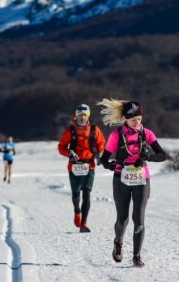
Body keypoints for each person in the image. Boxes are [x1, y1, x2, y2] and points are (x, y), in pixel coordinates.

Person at [98, 98, 166, 268]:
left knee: (139, 218)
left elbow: (162, 155)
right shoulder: (116, 135)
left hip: (142, 179)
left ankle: (136, 256)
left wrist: (148, 156)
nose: (137, 122)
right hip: (121, 179)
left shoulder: (147, 133)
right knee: (123, 219)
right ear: (126, 119)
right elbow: (104, 159)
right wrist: (111, 165)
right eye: (134, 119)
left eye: (139, 118)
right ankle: (118, 243)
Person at [58, 103, 106, 232]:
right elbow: (61, 146)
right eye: (80, 114)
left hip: (89, 165)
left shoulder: (95, 129)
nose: (82, 117)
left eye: (85, 115)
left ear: (88, 115)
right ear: (76, 115)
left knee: (87, 193)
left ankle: (83, 224)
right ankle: (77, 211)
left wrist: (100, 153)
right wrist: (69, 153)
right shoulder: (70, 130)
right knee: (75, 194)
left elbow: (101, 142)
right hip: (73, 166)